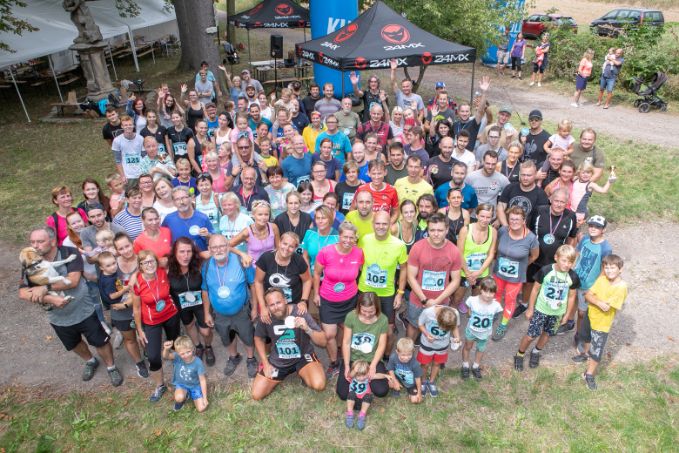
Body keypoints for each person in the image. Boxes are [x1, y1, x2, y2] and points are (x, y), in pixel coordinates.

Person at [19, 227, 123, 386]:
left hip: (84, 310)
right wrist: (50, 299)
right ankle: (90, 361)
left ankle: (111, 367)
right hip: (57, 317)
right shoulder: (31, 261)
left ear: (52, 241)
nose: (35, 246)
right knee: (74, 343)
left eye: (40, 241)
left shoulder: (69, 252)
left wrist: (44, 288)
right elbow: (23, 293)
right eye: (32, 242)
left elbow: (73, 281)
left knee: (100, 341)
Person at [513, 188, 578, 319]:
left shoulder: (571, 216)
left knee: (550, 284)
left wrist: (568, 254)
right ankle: (525, 304)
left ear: (567, 203)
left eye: (562, 202)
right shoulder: (539, 211)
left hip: (556, 261)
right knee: (529, 282)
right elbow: (528, 230)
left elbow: (572, 237)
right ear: (550, 200)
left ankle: (543, 307)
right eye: (556, 201)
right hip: (536, 256)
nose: (559, 204)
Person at [251, 288, 327, 400]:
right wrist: (265, 363)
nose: (276, 307)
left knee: (319, 385)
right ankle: (285, 374)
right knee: (256, 395)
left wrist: (307, 329)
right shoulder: (266, 317)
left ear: (285, 300)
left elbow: (323, 341)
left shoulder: (300, 312)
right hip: (279, 361)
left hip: (303, 358)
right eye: (271, 305)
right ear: (267, 307)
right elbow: (258, 338)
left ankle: (303, 372)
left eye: (278, 302)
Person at [514, 245, 580, 371]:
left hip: (557, 313)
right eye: (564, 260)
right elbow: (535, 290)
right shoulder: (546, 271)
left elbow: (572, 297)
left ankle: (536, 351)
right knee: (531, 335)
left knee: (547, 333)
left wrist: (566, 315)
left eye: (570, 262)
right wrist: (530, 308)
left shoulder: (573, 277)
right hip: (541, 310)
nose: (567, 265)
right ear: (556, 258)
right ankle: (520, 354)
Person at [202, 234, 258, 377]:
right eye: (214, 247)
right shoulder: (206, 266)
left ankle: (251, 359)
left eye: (222, 246)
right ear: (209, 249)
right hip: (219, 313)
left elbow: (253, 285)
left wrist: (255, 307)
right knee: (226, 337)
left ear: (228, 246)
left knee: (247, 336)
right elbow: (205, 289)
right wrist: (207, 313)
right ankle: (234, 357)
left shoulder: (241, 261)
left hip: (241, 310)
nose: (219, 250)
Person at [312, 222, 364, 377]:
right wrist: (316, 294)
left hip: (349, 299)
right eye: (345, 237)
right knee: (329, 335)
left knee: (349, 330)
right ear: (339, 236)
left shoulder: (359, 253)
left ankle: (347, 357)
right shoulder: (326, 252)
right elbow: (316, 274)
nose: (348, 240)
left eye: (351, 238)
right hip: (328, 299)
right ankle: (334, 362)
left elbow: (360, 272)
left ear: (355, 239)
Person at [131, 250, 180, 400]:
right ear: (140, 265)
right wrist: (140, 330)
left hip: (171, 315)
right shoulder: (137, 282)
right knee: (153, 356)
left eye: (152, 261)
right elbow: (137, 308)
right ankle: (160, 385)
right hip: (151, 321)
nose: (150, 265)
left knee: (175, 347)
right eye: (145, 262)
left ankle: (180, 378)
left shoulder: (163, 273)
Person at [406, 213, 462, 343]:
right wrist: (424, 300)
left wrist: (437, 300)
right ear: (428, 230)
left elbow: (455, 280)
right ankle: (408, 352)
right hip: (418, 299)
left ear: (447, 230)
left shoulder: (454, 251)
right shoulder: (417, 247)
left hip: (442, 300)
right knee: (414, 326)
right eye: (432, 230)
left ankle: (433, 354)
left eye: (440, 230)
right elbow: (410, 276)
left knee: (437, 327)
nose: (436, 234)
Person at [357, 211, 408, 355]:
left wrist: (400, 293)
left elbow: (404, 269)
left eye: (384, 223)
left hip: (387, 294)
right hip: (365, 290)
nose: (381, 226)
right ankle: (365, 355)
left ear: (390, 225)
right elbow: (358, 260)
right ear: (373, 224)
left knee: (389, 331)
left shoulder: (399, 245)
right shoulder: (365, 239)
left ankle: (385, 357)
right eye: (377, 223)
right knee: (363, 326)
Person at [575, 254, 628, 390]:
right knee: (586, 337)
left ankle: (589, 374)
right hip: (590, 315)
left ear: (620, 269)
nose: (609, 270)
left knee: (597, 350)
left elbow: (607, 308)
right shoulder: (602, 280)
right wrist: (597, 301)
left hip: (602, 324)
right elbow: (587, 295)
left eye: (613, 268)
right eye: (606, 267)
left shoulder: (621, 287)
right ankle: (585, 355)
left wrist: (593, 298)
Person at [491, 206, 540, 341]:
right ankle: (494, 313)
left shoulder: (531, 238)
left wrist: (523, 266)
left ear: (524, 220)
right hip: (499, 273)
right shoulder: (502, 231)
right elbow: (496, 248)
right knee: (496, 295)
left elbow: (535, 256)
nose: (514, 222)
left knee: (509, 300)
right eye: (511, 219)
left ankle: (503, 325)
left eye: (517, 219)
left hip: (515, 277)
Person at [167, 237, 215, 366]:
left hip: (200, 303)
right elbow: (145, 262)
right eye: (182, 252)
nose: (186, 256)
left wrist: (241, 253)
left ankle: (208, 346)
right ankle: (198, 346)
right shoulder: (168, 268)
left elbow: (220, 249)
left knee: (206, 331)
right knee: (189, 326)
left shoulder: (199, 264)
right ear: (175, 253)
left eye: (189, 251)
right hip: (182, 305)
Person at [337, 292, 390, 404]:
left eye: (371, 311)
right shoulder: (351, 316)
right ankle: (364, 382)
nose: (367, 314)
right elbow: (346, 342)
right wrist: (347, 366)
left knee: (381, 391)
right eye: (364, 311)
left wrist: (373, 366)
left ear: (377, 308)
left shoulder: (383, 319)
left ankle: (366, 382)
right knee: (342, 393)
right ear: (359, 307)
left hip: (371, 359)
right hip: (353, 358)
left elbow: (381, 345)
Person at [567, 215, 612, 341]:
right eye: (591, 225)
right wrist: (571, 271)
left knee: (582, 312)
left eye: (597, 227)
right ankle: (569, 322)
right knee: (572, 301)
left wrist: (594, 288)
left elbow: (603, 270)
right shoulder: (585, 239)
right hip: (576, 278)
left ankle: (579, 334)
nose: (593, 228)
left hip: (588, 284)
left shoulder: (605, 248)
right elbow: (577, 254)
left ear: (603, 230)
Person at [254, 232, 311, 321]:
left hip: (293, 305)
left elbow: (307, 280)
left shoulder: (299, 261)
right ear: (279, 242)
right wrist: (262, 306)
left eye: (291, 246)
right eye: (285, 244)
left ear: (296, 248)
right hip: (272, 305)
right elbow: (258, 281)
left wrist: (304, 301)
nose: (286, 248)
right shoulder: (266, 258)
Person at [454, 204, 497, 314]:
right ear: (477, 215)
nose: (485, 220)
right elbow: (459, 253)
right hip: (464, 272)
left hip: (481, 272)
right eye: (482, 216)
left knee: (476, 298)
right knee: (457, 298)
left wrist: (479, 272)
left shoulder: (493, 231)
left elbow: (491, 254)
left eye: (488, 217)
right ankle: (452, 317)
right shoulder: (465, 230)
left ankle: (471, 319)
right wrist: (468, 273)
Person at [461, 277, 503, 379]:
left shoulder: (496, 305)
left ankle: (476, 366)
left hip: (484, 333)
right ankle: (465, 365)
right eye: (485, 291)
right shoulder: (472, 300)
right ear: (480, 289)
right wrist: (469, 314)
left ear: (495, 293)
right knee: (467, 347)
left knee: (481, 349)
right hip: (471, 330)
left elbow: (496, 315)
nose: (488, 295)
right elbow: (468, 311)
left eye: (491, 293)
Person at [417, 305, 460, 395]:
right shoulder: (428, 312)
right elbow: (420, 324)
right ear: (437, 317)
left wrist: (457, 337)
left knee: (437, 363)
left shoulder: (455, 313)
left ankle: (431, 381)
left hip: (442, 346)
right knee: (424, 364)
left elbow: (455, 327)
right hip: (427, 344)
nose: (443, 330)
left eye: (446, 329)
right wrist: (426, 334)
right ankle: (423, 381)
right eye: (442, 327)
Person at [162, 336, 208, 412]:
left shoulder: (198, 362)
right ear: (177, 353)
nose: (186, 355)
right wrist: (166, 349)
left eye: (188, 352)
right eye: (182, 354)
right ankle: (184, 396)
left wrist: (205, 398)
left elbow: (202, 381)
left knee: (202, 408)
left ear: (193, 349)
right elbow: (165, 356)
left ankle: (191, 395)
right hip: (182, 385)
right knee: (179, 398)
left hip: (195, 386)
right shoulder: (177, 357)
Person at [497, 160, 549, 227]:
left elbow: (541, 218)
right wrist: (506, 227)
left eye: (529, 175)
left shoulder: (541, 194)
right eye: (523, 175)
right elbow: (500, 207)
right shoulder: (510, 188)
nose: (525, 178)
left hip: (527, 232)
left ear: (535, 174)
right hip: (507, 228)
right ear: (519, 174)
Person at [162, 186, 214, 253]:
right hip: (178, 261)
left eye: (184, 198)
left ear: (191, 198)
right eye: (177, 199)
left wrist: (208, 235)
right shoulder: (169, 219)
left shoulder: (203, 218)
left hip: (199, 260)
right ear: (173, 202)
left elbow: (213, 239)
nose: (181, 202)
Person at [230, 200, 280, 268]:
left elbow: (279, 248)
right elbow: (226, 245)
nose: (263, 217)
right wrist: (242, 254)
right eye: (260, 214)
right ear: (253, 215)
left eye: (266, 214)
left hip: (271, 267)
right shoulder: (247, 232)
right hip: (254, 268)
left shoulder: (273, 227)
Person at [344, 360, 391, 430]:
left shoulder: (367, 377)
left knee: (368, 396)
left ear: (367, 372)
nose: (362, 378)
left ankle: (362, 416)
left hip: (364, 402)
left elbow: (377, 375)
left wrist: (385, 375)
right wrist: (355, 370)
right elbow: (350, 375)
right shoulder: (352, 377)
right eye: (359, 376)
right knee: (351, 394)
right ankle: (350, 414)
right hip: (353, 401)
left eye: (364, 375)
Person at [452, 76, 490, 151]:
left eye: (467, 111)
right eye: (462, 111)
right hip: (455, 154)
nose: (465, 113)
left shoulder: (474, 123)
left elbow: (480, 111)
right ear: (458, 112)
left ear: (470, 113)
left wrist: (484, 92)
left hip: (467, 155)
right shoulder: (455, 124)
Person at [301, 205, 339, 274]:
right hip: (311, 275)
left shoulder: (337, 236)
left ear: (330, 219)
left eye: (323, 218)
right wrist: (309, 276)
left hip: (330, 278)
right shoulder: (309, 233)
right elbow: (305, 256)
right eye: (318, 218)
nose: (320, 221)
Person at [385, 338, 423, 402]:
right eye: (403, 355)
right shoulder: (393, 357)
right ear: (397, 352)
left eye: (409, 355)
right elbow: (390, 369)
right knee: (390, 382)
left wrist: (419, 393)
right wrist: (395, 381)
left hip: (410, 383)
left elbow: (418, 379)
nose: (406, 358)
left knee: (415, 400)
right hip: (398, 378)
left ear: (413, 351)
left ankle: (410, 391)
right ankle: (396, 388)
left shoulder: (415, 364)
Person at [111, 115, 145, 186]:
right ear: (122, 126)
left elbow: (144, 156)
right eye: (125, 125)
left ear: (133, 125)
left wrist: (146, 171)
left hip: (141, 172)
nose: (128, 127)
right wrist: (122, 175)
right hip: (128, 175)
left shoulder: (140, 138)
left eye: (130, 124)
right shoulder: (117, 141)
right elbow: (118, 160)